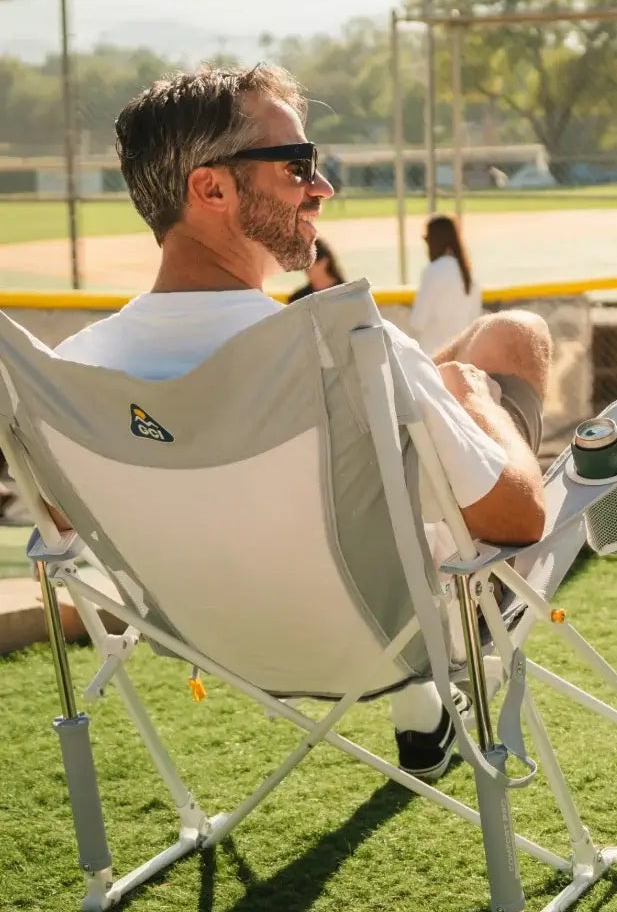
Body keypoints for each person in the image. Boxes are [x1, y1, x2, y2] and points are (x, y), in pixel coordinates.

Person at [52, 65, 552, 784]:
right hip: (388, 632)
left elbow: (65, 524)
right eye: (298, 166)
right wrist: (470, 399)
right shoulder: (352, 349)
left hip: (207, 636)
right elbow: (518, 518)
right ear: (212, 188)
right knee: (514, 341)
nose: (323, 188)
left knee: (484, 344)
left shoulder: (74, 378)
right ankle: (444, 684)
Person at [409, 214, 483, 356]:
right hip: (461, 356)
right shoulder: (469, 275)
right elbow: (474, 320)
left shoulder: (433, 271)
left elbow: (418, 321)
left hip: (432, 356)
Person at [286, 235, 345, 301]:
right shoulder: (297, 299)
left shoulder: (346, 294)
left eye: (309, 262)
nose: (306, 268)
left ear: (324, 261)